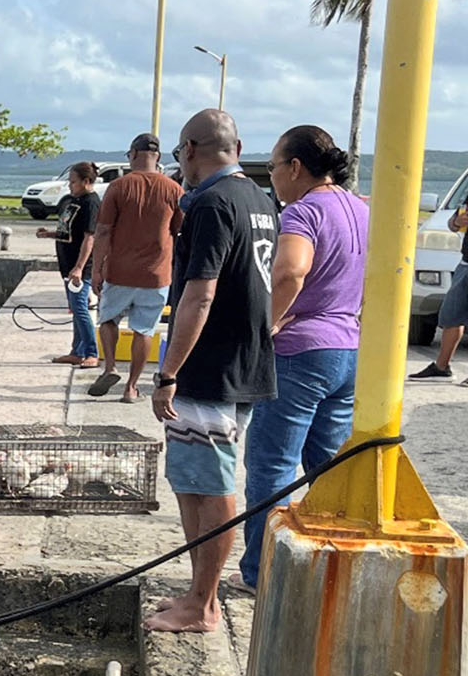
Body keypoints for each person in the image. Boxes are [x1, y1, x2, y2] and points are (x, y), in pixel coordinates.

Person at [147, 109, 279, 634]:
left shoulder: (213, 204)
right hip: (244, 361)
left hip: (209, 366)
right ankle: (198, 592)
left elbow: (199, 294)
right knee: (197, 478)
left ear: (191, 149)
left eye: (181, 155)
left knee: (208, 482)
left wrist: (167, 374)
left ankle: (202, 603)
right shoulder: (260, 199)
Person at [236, 126, 369, 592]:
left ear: (294, 167)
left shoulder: (303, 211)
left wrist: (268, 323)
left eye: (272, 167)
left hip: (300, 351)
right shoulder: (361, 208)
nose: (271, 177)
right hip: (348, 348)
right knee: (328, 470)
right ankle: (332, 567)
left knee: (271, 466)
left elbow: (291, 269)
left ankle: (261, 573)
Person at [88, 134, 184, 402]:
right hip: (157, 274)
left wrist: (96, 269)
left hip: (119, 270)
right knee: (145, 330)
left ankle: (110, 367)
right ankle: (131, 388)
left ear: (132, 154)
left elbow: (104, 231)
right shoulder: (174, 189)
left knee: (108, 319)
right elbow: (179, 232)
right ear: (159, 157)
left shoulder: (118, 187)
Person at [37, 162, 101, 367]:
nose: (70, 186)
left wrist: (80, 267)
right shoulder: (73, 201)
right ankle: (77, 350)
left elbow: (89, 237)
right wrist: (49, 234)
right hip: (67, 263)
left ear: (86, 181)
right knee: (74, 307)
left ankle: (91, 351)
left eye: (73, 182)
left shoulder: (91, 202)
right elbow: (68, 231)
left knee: (80, 307)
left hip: (79, 266)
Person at [410, 202, 468, 379]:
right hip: (466, 263)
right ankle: (441, 367)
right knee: (451, 315)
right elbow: (453, 224)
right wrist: (458, 221)